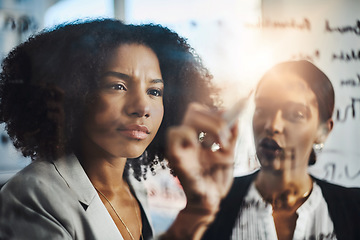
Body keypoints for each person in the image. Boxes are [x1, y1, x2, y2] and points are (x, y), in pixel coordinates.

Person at [0, 18, 239, 240]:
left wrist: (200, 209)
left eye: (154, 92)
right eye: (118, 86)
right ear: (74, 94)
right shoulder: (31, 197)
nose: (142, 107)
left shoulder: (134, 188)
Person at [201, 60, 360, 240]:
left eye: (296, 114)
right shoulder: (215, 202)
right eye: (262, 109)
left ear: (323, 131)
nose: (272, 125)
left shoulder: (354, 209)